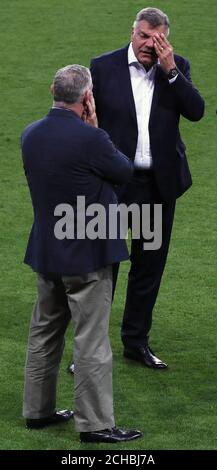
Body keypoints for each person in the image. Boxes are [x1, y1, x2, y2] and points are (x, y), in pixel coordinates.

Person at [21, 64, 142, 443]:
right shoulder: (92, 139)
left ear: (52, 91)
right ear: (87, 97)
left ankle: (37, 412)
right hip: (87, 256)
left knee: (44, 332)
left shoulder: (30, 135)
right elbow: (124, 171)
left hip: (47, 252)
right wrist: (95, 128)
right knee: (91, 339)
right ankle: (96, 424)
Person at [89, 7, 205, 369]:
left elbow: (196, 110)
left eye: (158, 40)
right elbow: (85, 118)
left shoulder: (176, 68)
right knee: (102, 267)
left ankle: (135, 341)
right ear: (132, 32)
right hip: (111, 188)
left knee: (147, 267)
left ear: (165, 40)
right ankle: (89, 349)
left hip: (154, 188)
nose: (149, 46)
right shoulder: (103, 67)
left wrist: (170, 71)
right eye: (143, 36)